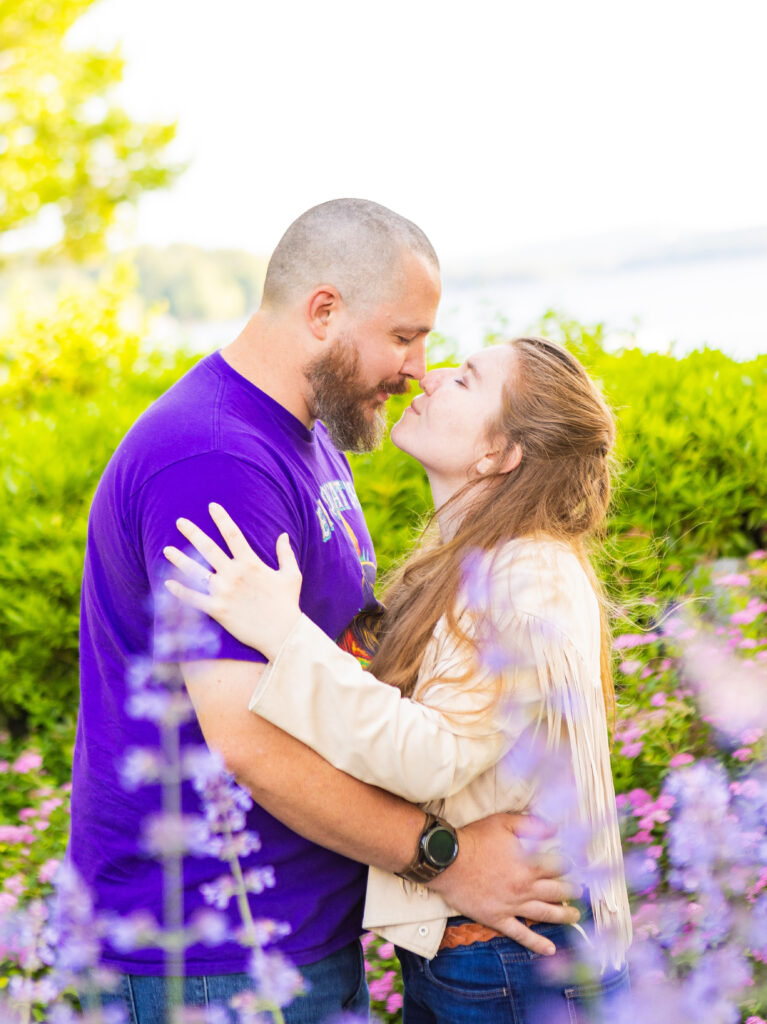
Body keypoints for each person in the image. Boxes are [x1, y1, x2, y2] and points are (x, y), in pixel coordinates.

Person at [69, 199, 579, 1024]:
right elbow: (248, 742)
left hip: (297, 925)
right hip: (213, 949)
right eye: (404, 336)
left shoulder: (306, 435)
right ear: (324, 312)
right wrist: (443, 861)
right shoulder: (212, 460)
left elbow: (343, 653)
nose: (418, 368)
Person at [164, 336, 633, 1023]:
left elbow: (430, 755)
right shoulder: (478, 560)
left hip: (510, 961)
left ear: (498, 455)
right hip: (487, 954)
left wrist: (282, 632)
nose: (430, 376)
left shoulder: (525, 577)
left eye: (467, 380)